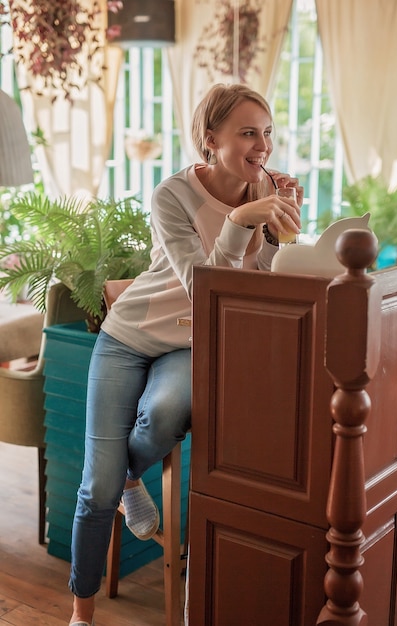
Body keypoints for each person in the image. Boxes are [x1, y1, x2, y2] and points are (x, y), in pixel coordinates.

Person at [68, 82, 303, 626]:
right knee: (95, 486)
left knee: (171, 410)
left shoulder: (265, 188)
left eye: (266, 133)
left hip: (193, 343)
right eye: (248, 133)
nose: (262, 145)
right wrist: (240, 222)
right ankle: (81, 612)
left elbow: (257, 283)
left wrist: (274, 226)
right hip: (129, 337)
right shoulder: (171, 194)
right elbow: (205, 287)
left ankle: (130, 476)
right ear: (210, 138)